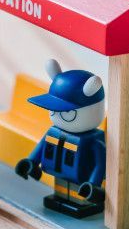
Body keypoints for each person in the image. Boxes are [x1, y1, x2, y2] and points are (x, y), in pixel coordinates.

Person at [15, 59, 106, 218]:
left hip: (81, 184)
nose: (57, 115)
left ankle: (82, 203)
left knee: (77, 194)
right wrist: (31, 161)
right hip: (59, 172)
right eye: (53, 110)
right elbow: (42, 146)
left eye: (65, 112)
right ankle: (61, 198)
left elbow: (100, 164)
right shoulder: (54, 132)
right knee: (61, 189)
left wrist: (93, 184)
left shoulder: (93, 141)